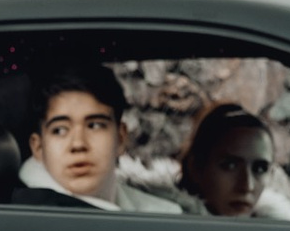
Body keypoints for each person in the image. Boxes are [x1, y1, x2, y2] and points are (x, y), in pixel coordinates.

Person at [18, 58, 184, 214]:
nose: (78, 144)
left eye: (94, 126)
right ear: (38, 147)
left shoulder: (164, 215)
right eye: (60, 130)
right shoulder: (20, 216)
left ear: (120, 138)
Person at [179, 102, 290, 221]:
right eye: (230, 166)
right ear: (196, 167)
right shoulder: (170, 222)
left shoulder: (278, 226)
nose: (247, 186)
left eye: (260, 169)